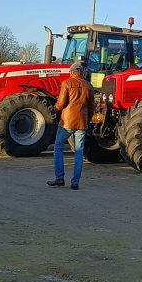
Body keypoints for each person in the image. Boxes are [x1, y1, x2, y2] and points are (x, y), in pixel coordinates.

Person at [48, 62, 94, 190]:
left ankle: (59, 178)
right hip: (81, 123)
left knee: (58, 147)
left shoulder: (66, 83)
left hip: (67, 122)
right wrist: (87, 119)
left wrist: (55, 107)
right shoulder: (88, 86)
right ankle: (75, 182)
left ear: (72, 72)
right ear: (81, 72)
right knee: (78, 152)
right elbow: (91, 107)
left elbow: (61, 103)